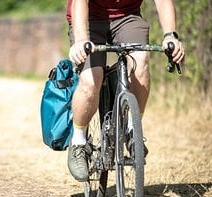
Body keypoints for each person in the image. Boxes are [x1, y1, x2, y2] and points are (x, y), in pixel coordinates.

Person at [66, 0, 185, 181]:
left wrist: (170, 36)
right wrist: (81, 40)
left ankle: (131, 129)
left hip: (127, 17)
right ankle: (78, 142)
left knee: (141, 62)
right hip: (88, 17)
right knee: (91, 80)